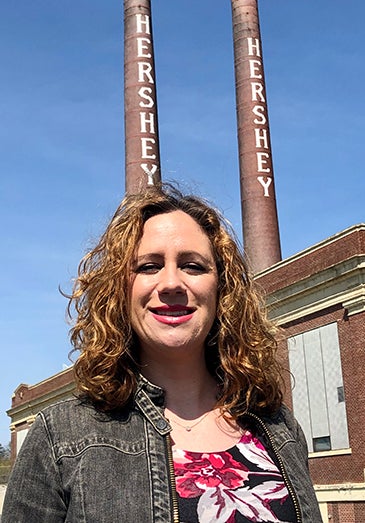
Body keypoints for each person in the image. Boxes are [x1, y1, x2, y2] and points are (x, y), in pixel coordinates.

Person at [3, 184, 322, 523]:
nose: (171, 283)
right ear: (120, 289)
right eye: (149, 266)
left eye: (193, 266)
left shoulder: (277, 426)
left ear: (221, 288)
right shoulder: (62, 436)